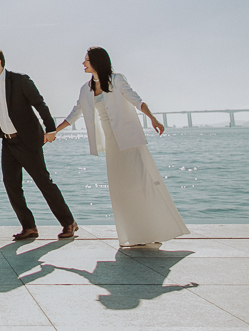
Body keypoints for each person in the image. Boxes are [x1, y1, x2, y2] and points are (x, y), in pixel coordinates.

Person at [51, 47, 189, 247]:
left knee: (141, 185)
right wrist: (56, 131)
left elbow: (136, 100)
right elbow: (75, 113)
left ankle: (155, 228)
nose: (83, 63)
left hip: (129, 141)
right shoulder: (85, 89)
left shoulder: (117, 80)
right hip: (112, 144)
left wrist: (153, 119)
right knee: (121, 189)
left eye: (86, 60)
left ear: (97, 62)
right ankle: (134, 234)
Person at [0, 47, 78, 240]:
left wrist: (50, 130)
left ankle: (69, 223)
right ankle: (29, 227)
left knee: (44, 183)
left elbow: (39, 104)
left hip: (28, 140)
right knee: (11, 184)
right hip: (7, 142)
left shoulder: (20, 80)